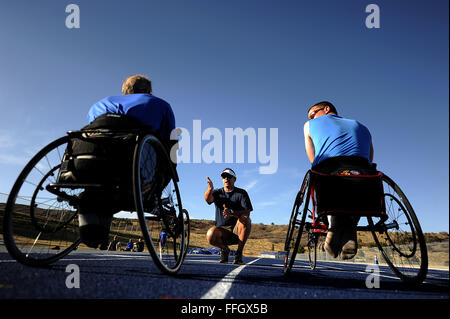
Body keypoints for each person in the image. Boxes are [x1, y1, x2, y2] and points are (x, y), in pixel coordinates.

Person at [75, 74, 176, 249]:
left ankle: (92, 212)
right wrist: (166, 174)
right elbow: (170, 143)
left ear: (124, 91)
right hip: (132, 166)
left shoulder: (99, 104)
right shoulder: (160, 105)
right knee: (160, 154)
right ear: (148, 91)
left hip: (89, 162)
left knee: (101, 185)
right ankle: (147, 194)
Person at [303, 101, 375, 260]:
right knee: (358, 178)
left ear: (326, 109)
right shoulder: (362, 126)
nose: (311, 118)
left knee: (320, 174)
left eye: (313, 114)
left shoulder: (309, 125)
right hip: (364, 175)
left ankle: (333, 224)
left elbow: (312, 157)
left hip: (330, 173)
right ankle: (350, 225)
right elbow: (370, 157)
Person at [204, 168, 253, 264]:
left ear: (234, 179)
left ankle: (238, 253)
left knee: (245, 219)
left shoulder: (242, 193)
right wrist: (210, 189)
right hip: (222, 232)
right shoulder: (217, 192)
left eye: (229, 177)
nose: (226, 178)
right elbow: (208, 200)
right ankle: (225, 250)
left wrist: (231, 212)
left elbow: (247, 212)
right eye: (224, 177)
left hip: (237, 232)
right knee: (210, 234)